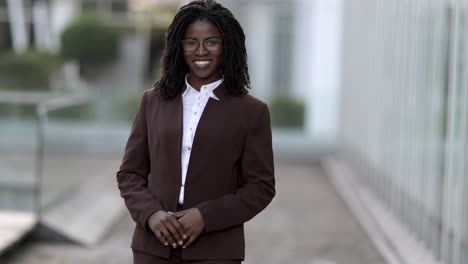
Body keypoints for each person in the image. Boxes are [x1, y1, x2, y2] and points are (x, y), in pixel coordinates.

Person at [116, 0, 275, 263]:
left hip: (216, 251)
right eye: (191, 42)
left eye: (212, 42)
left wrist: (205, 216)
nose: (201, 51)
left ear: (227, 46)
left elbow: (260, 187)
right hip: (153, 248)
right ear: (179, 47)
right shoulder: (152, 101)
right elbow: (130, 173)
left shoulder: (252, 111)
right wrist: (151, 214)